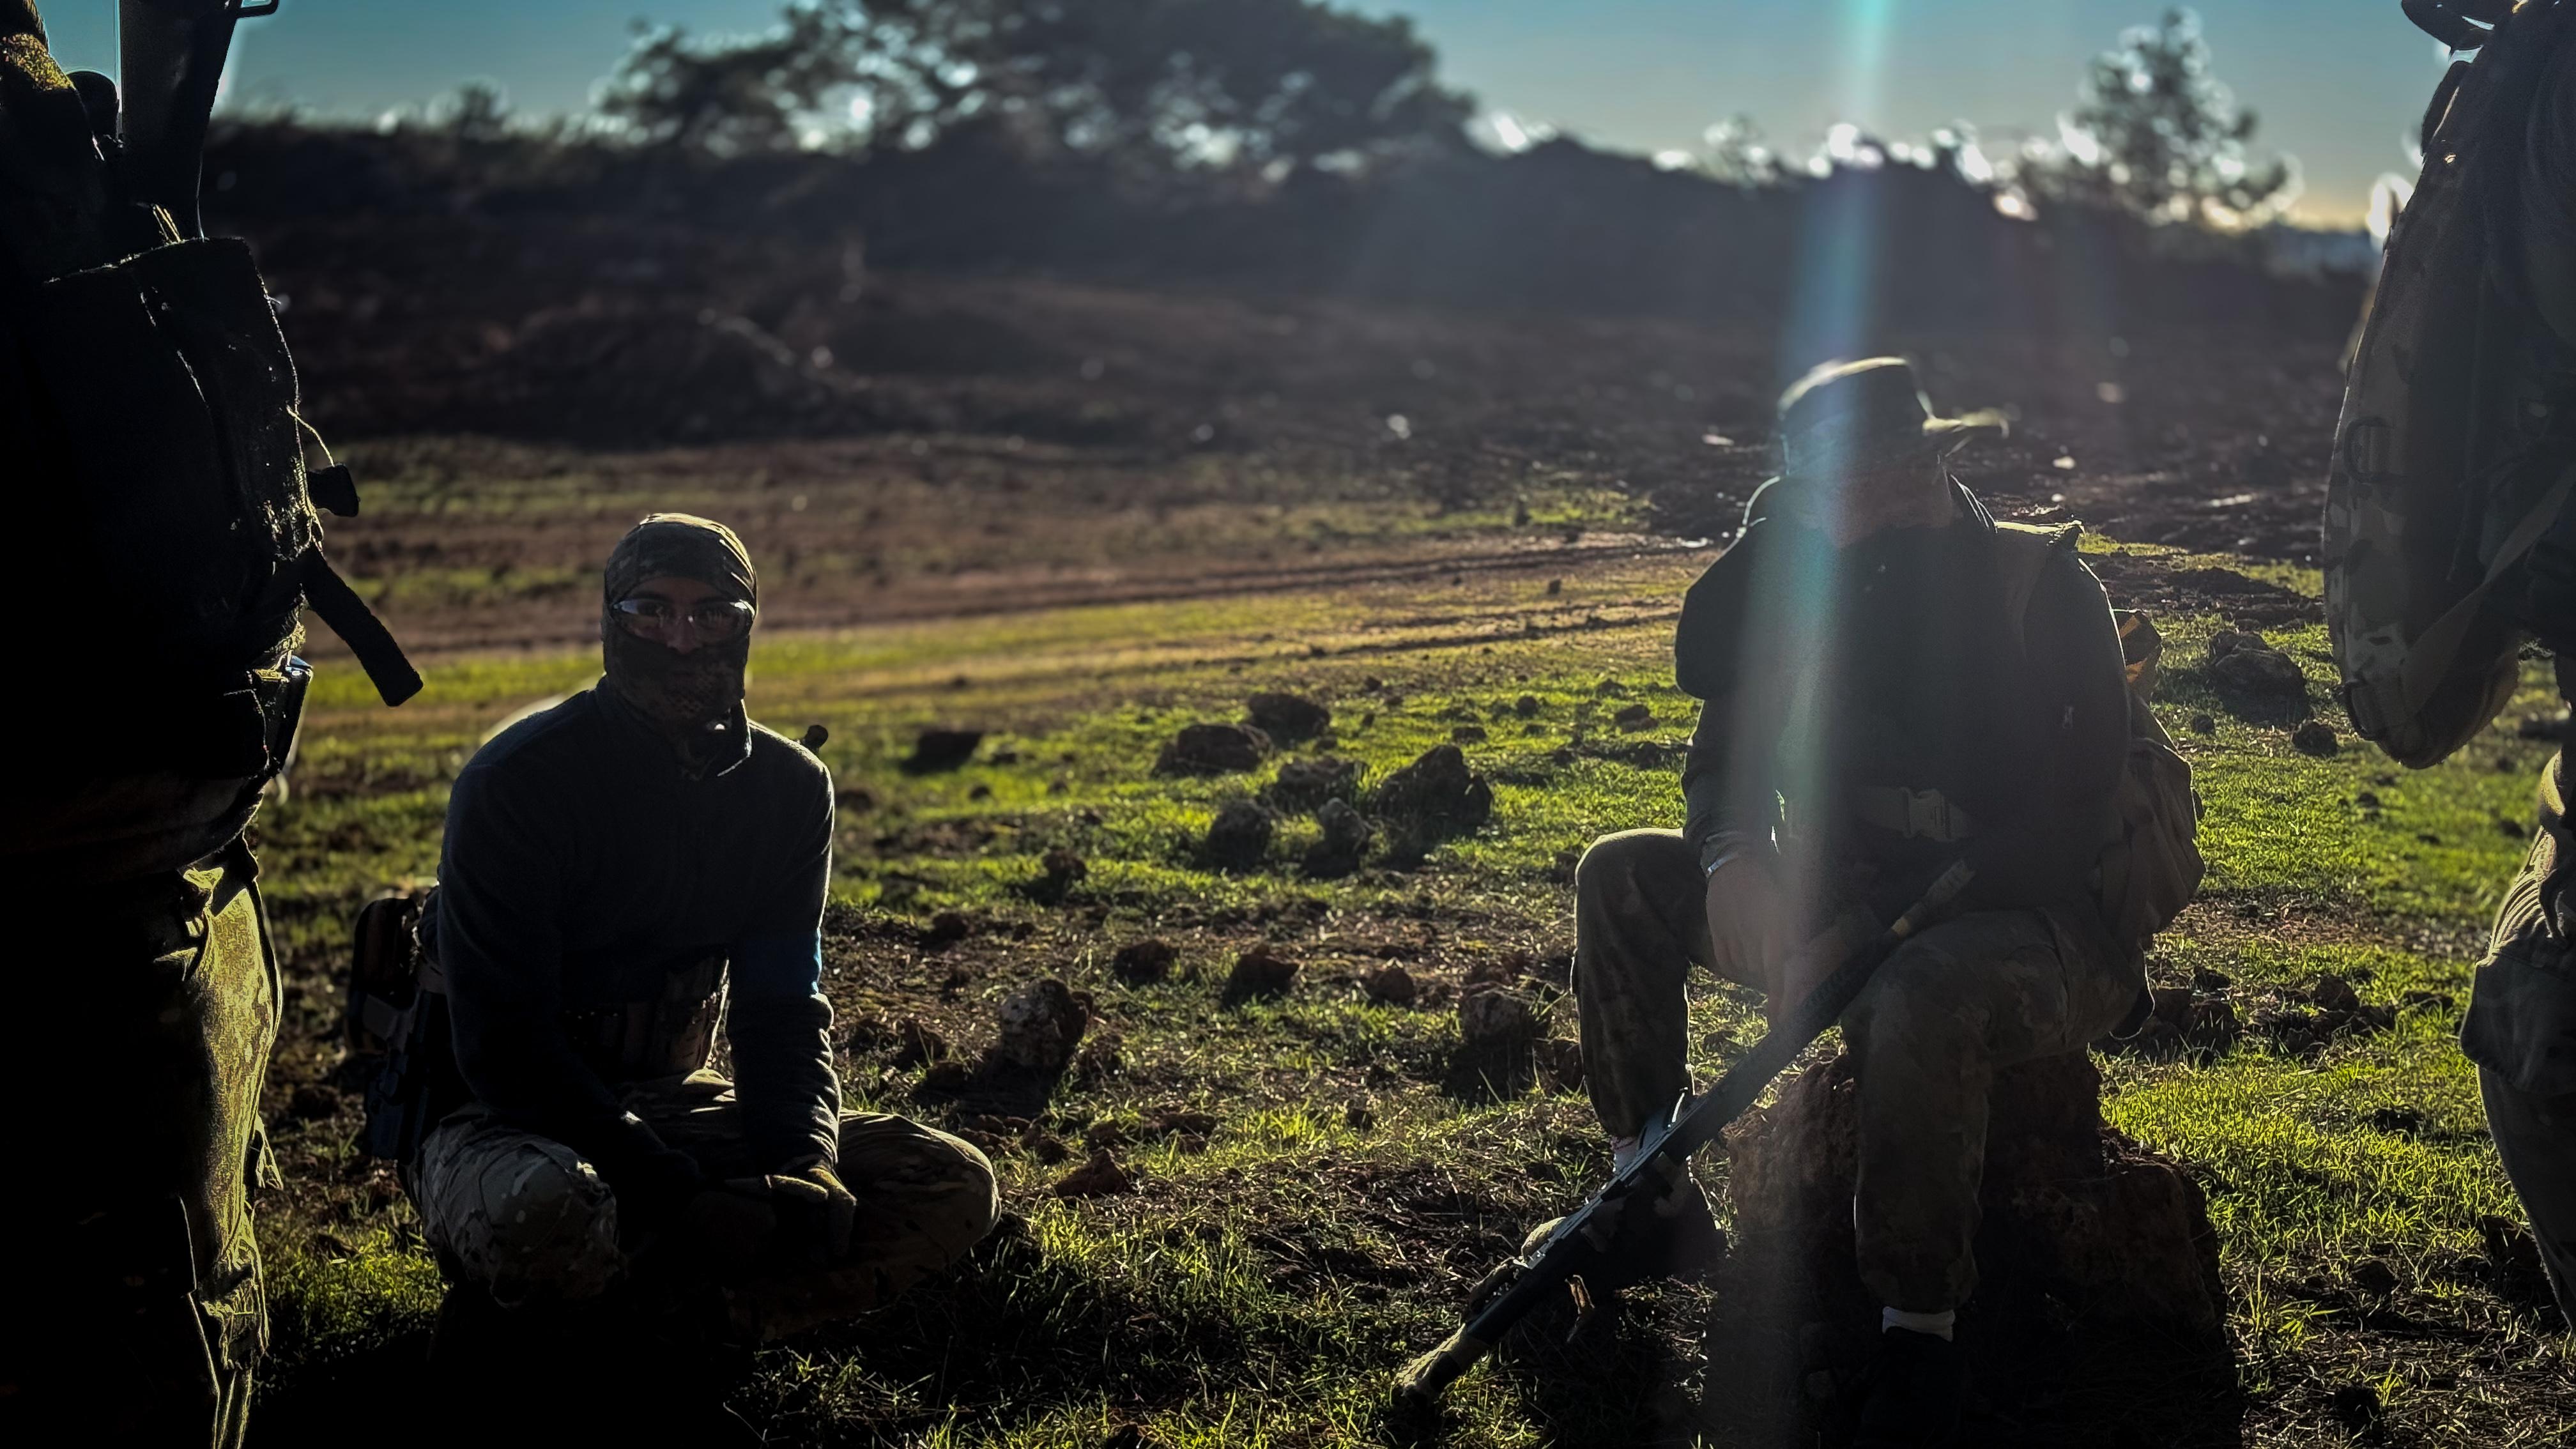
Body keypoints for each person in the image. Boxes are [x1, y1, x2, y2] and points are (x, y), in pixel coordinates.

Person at [1566, 358, 2142, 1446]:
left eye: (1868, 475)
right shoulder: (1808, 580)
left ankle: (1916, 1329)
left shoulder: (2040, 587)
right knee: (1619, 876)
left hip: (2043, 930)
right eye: (1818, 486)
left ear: (1928, 464)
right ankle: (1651, 1197)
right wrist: (1741, 861)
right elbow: (1709, 703)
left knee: (1915, 994)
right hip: (1853, 911)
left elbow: (2068, 826)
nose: (1847, 501)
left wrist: (1874, 926)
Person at [404, 514, 997, 1413]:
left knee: (950, 1181)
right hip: (496, 1121)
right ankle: (632, 1319)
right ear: (611, 621)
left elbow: (782, 1006)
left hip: (675, 1099)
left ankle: (671, 1330)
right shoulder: (518, 782)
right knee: (549, 1214)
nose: (682, 639)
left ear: (747, 625)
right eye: (651, 612)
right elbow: (503, 1046)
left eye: (713, 614)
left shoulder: (789, 792)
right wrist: (673, 1192)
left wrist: (802, 1164)